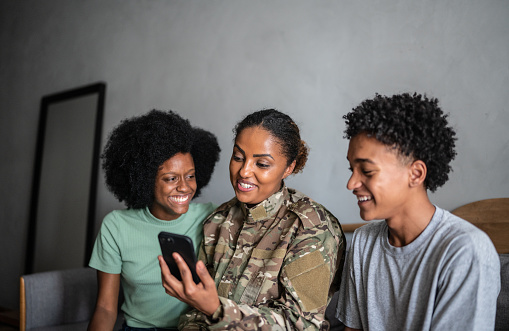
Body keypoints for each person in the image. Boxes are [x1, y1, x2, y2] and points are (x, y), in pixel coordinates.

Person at [158, 109, 346, 330]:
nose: (244, 171)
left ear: (289, 167)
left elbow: (302, 324)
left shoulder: (312, 227)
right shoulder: (217, 221)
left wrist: (216, 310)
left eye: (262, 164)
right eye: (238, 157)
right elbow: (195, 314)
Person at [336, 93, 501, 330]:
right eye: (352, 169)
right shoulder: (364, 241)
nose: (351, 184)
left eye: (367, 171)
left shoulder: (466, 250)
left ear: (415, 174)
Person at [88, 109, 221, 331]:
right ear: (145, 179)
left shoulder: (213, 217)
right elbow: (105, 308)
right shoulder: (116, 226)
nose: (184, 187)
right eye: (171, 178)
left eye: (190, 176)